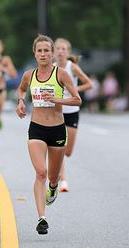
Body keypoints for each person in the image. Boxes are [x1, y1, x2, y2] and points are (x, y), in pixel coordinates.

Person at [16, 35, 81, 235]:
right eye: (39, 51)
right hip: (36, 128)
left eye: (46, 51)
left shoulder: (61, 75)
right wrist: (20, 102)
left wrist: (56, 99)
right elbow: (21, 89)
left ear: (52, 53)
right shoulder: (29, 75)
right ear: (34, 53)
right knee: (40, 172)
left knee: (52, 177)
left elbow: (77, 99)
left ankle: (53, 187)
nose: (43, 54)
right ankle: (41, 218)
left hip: (57, 129)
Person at [53, 38, 92, 192]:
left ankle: (57, 173)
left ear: (68, 52)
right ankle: (63, 181)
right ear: (54, 52)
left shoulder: (72, 67)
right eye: (58, 48)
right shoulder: (52, 68)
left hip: (72, 112)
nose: (61, 51)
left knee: (68, 152)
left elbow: (90, 84)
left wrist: (75, 90)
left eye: (63, 49)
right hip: (57, 112)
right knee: (59, 146)